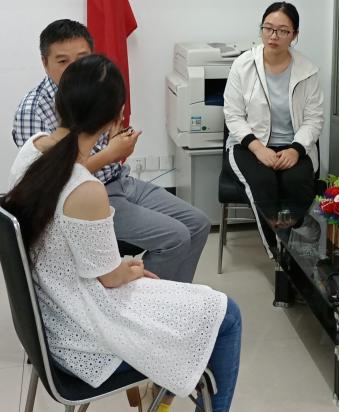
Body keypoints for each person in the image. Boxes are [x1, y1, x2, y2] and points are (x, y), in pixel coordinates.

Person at [6, 55, 241, 412]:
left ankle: (171, 406)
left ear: (60, 102)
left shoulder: (33, 151)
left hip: (52, 320)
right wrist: (131, 267)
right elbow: (110, 277)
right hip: (83, 336)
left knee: (193, 297)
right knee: (227, 315)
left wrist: (124, 269)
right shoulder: (85, 190)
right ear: (116, 118)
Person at [12, 19, 211, 284]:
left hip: (120, 180)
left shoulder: (94, 94)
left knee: (199, 223)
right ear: (44, 63)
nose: (75, 69)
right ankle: (152, 301)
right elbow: (49, 184)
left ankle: (174, 292)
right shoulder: (33, 110)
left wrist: (114, 146)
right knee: (176, 237)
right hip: (85, 199)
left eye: (82, 59)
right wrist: (109, 153)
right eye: (62, 61)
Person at [224, 2, 324, 254]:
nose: (273, 36)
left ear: (295, 35)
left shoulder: (307, 71)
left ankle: (298, 234)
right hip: (249, 145)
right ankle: (278, 254)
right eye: (267, 28)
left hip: (292, 145)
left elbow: (313, 119)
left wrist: (296, 150)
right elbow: (233, 116)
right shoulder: (243, 66)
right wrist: (258, 149)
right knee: (263, 181)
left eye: (282, 31)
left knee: (297, 180)